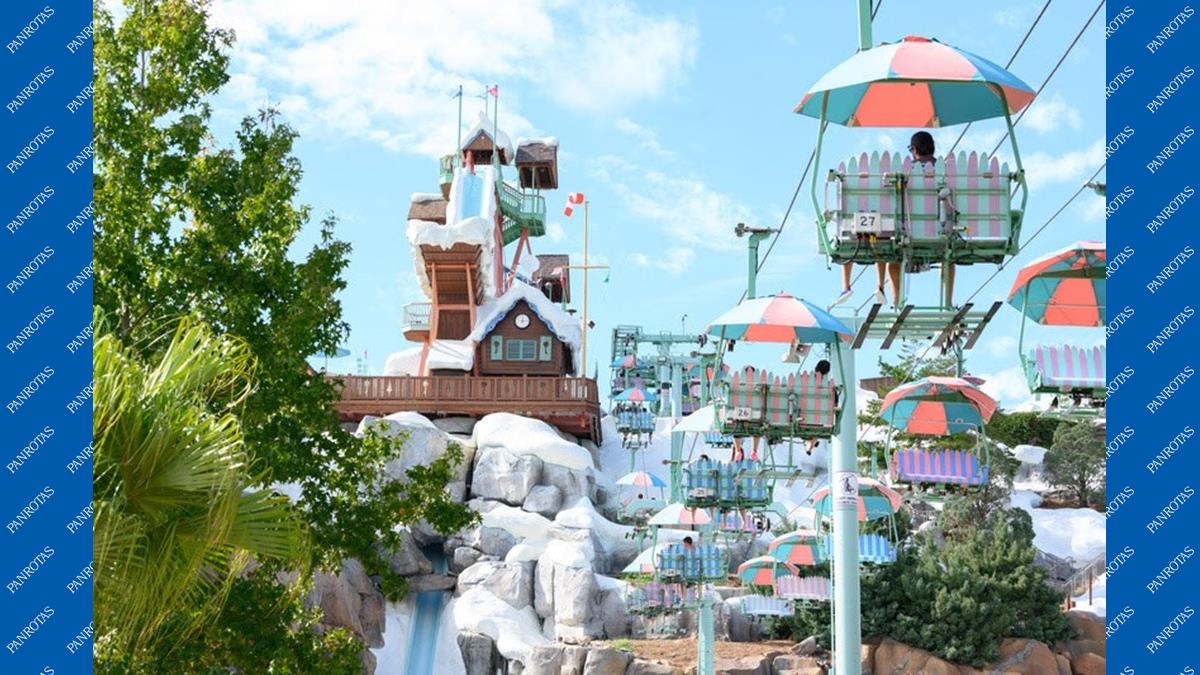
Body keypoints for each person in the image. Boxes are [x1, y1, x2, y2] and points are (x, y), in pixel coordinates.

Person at [908, 130, 956, 308]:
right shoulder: (946, 171)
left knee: (892, 258)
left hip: (910, 230)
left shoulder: (907, 170)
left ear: (914, 149)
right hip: (942, 228)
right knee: (948, 257)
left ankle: (896, 302)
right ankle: (947, 301)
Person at [805, 360, 838, 455]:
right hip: (820, 417)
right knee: (817, 428)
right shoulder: (828, 386)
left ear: (816, 368)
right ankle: (810, 446)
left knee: (810, 426)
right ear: (827, 372)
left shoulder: (806, 381)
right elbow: (835, 401)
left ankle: (809, 445)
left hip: (803, 416)